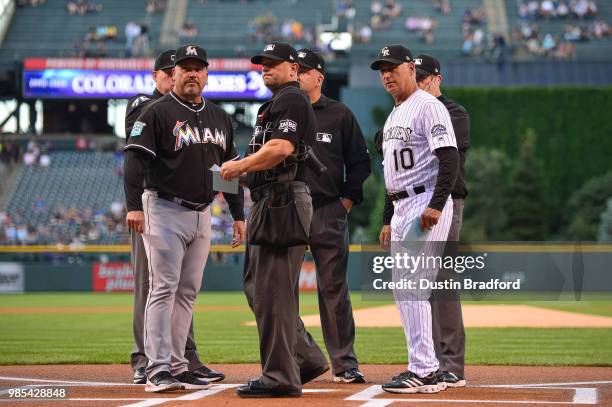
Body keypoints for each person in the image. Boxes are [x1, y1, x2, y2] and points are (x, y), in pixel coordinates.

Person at [124, 44, 246, 393]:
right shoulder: (156, 111)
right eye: (185, 67)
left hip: (202, 212)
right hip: (163, 208)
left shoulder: (219, 117)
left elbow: (227, 172)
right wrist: (133, 206)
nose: (192, 73)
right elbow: (134, 160)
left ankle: (178, 364)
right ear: (173, 74)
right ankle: (156, 368)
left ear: (206, 74)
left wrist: (238, 215)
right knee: (163, 288)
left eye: (198, 67)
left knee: (187, 292)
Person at [220, 42, 328, 398]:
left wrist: (238, 166)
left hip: (283, 201)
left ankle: (280, 376)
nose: (266, 68)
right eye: (262, 64)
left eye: (274, 63)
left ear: (293, 69)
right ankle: (307, 357)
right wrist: (222, 175)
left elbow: (281, 148)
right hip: (269, 199)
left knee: (274, 294)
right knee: (259, 291)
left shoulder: (292, 99)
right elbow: (261, 164)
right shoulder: (271, 106)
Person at [371, 44, 459, 394]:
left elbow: (449, 157)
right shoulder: (395, 114)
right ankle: (423, 366)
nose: (387, 74)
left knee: (413, 287)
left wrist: (436, 205)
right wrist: (388, 217)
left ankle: (424, 369)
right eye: (382, 70)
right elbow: (393, 178)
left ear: (410, 68)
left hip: (425, 203)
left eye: (393, 67)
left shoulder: (428, 105)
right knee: (403, 289)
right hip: (404, 205)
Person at [296, 48, 370, 383]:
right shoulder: (279, 111)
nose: (297, 76)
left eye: (303, 71)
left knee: (334, 290)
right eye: (294, 70)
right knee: (279, 291)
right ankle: (291, 360)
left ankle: (344, 364)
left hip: (328, 209)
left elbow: (360, 163)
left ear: (319, 77)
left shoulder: (339, 114)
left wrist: (346, 203)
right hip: (286, 212)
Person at [414, 54, 469, 388]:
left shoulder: (454, 112)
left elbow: (447, 156)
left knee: (441, 280)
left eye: (423, 77)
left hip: (446, 202)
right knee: (417, 284)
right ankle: (427, 362)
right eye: (414, 77)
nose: (418, 82)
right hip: (413, 204)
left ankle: (451, 365)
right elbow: (381, 140)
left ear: (437, 78)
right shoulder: (404, 112)